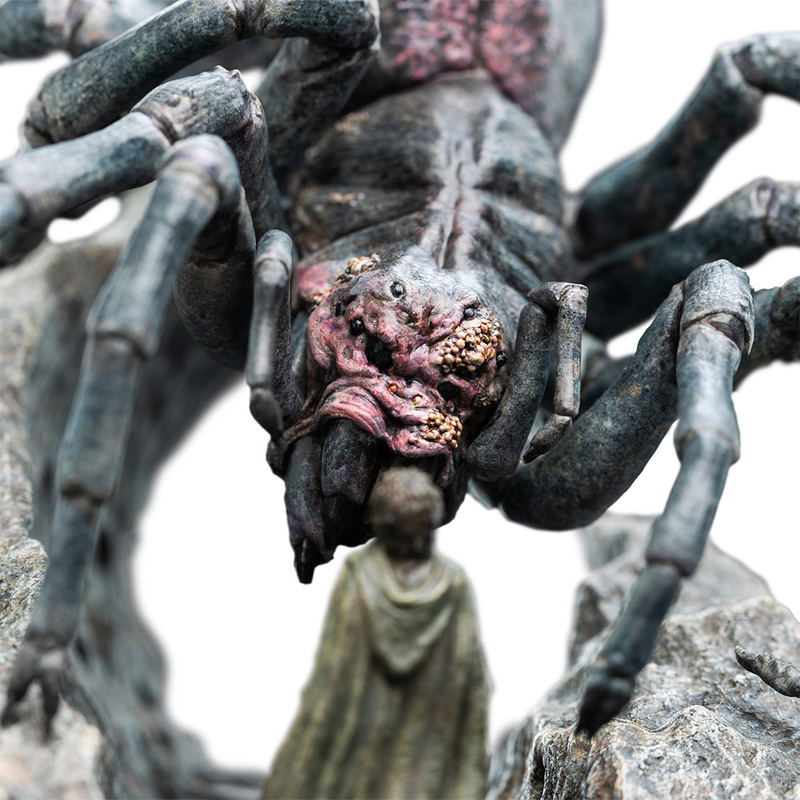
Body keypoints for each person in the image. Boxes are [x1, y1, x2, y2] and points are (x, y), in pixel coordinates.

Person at [263, 467, 490, 799]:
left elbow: (333, 674)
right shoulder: (452, 583)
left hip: (364, 735)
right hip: (423, 738)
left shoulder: (361, 575)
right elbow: (468, 675)